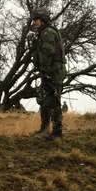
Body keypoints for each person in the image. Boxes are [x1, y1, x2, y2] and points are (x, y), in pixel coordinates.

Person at [29, 8, 67, 140]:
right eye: (34, 20)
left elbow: (49, 52)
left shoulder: (47, 32)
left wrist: (44, 70)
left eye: (36, 20)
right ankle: (44, 127)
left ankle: (57, 132)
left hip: (53, 71)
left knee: (53, 100)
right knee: (42, 98)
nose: (34, 23)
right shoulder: (43, 33)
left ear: (43, 20)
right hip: (49, 70)